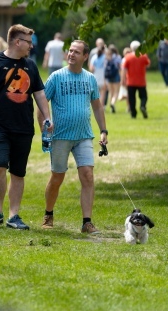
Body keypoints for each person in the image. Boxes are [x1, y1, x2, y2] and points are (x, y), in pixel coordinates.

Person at [0, 24, 52, 231]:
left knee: (18, 172)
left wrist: (47, 118)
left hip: (23, 126)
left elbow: (40, 94)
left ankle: (14, 215)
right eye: (28, 42)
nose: (31, 47)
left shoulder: (30, 66)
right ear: (17, 42)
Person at [38, 40, 108, 235]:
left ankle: (87, 222)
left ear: (85, 56)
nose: (71, 54)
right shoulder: (56, 77)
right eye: (70, 51)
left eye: (76, 52)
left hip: (84, 136)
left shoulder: (90, 79)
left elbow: (97, 106)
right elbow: (42, 105)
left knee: (87, 176)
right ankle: (48, 214)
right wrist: (45, 130)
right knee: (57, 177)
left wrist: (104, 131)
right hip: (60, 137)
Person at [122, 41, 151, 119]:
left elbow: (124, 69)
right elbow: (148, 64)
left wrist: (123, 80)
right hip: (141, 81)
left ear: (131, 48)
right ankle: (142, 106)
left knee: (132, 98)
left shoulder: (128, 57)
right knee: (144, 97)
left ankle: (133, 114)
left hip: (131, 81)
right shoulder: (143, 56)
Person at [104, 45, 122, 113]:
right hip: (116, 76)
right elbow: (120, 68)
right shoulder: (117, 57)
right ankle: (113, 103)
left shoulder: (107, 57)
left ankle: (111, 107)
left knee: (111, 92)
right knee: (116, 92)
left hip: (108, 77)